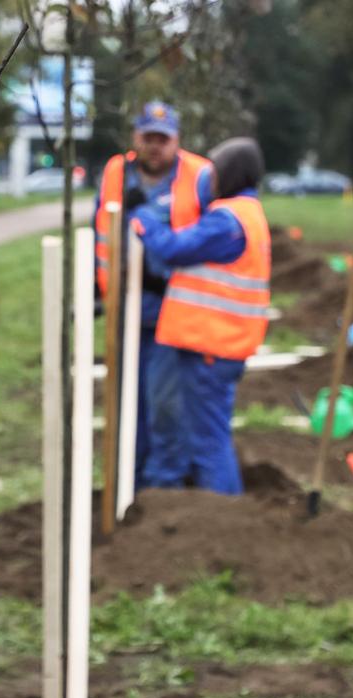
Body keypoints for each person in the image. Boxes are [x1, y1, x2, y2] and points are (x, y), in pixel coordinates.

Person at [128, 137, 270, 495]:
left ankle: (222, 518)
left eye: (214, 174)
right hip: (222, 344)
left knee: (208, 441)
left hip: (212, 347)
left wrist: (143, 217)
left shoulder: (227, 221)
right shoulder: (247, 214)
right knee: (209, 434)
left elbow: (173, 248)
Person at [93, 101, 214, 489]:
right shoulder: (116, 172)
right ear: (136, 138)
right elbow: (99, 228)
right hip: (124, 308)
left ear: (177, 140)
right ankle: (132, 476)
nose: (155, 146)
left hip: (174, 309)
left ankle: (166, 483)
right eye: (148, 138)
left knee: (165, 401)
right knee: (129, 398)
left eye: (163, 139)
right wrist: (101, 289)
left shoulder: (199, 175)